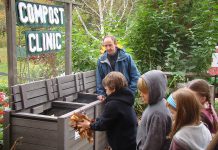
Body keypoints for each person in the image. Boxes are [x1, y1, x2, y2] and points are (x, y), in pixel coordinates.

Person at [77, 71, 138, 150]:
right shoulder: (125, 99)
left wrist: (89, 125)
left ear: (113, 89)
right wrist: (93, 121)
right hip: (130, 140)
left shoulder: (113, 104)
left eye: (106, 89)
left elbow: (103, 124)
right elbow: (109, 119)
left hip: (122, 145)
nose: (105, 91)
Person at [96, 35, 140, 101]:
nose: (108, 48)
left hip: (125, 95)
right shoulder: (101, 60)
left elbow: (136, 76)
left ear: (115, 44)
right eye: (106, 46)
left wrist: (130, 92)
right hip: (110, 96)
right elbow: (99, 79)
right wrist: (101, 94)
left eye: (110, 45)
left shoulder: (126, 57)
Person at [136, 70, 172, 150]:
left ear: (155, 90)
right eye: (140, 91)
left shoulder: (157, 115)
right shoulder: (156, 103)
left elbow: (153, 145)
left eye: (144, 92)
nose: (141, 94)